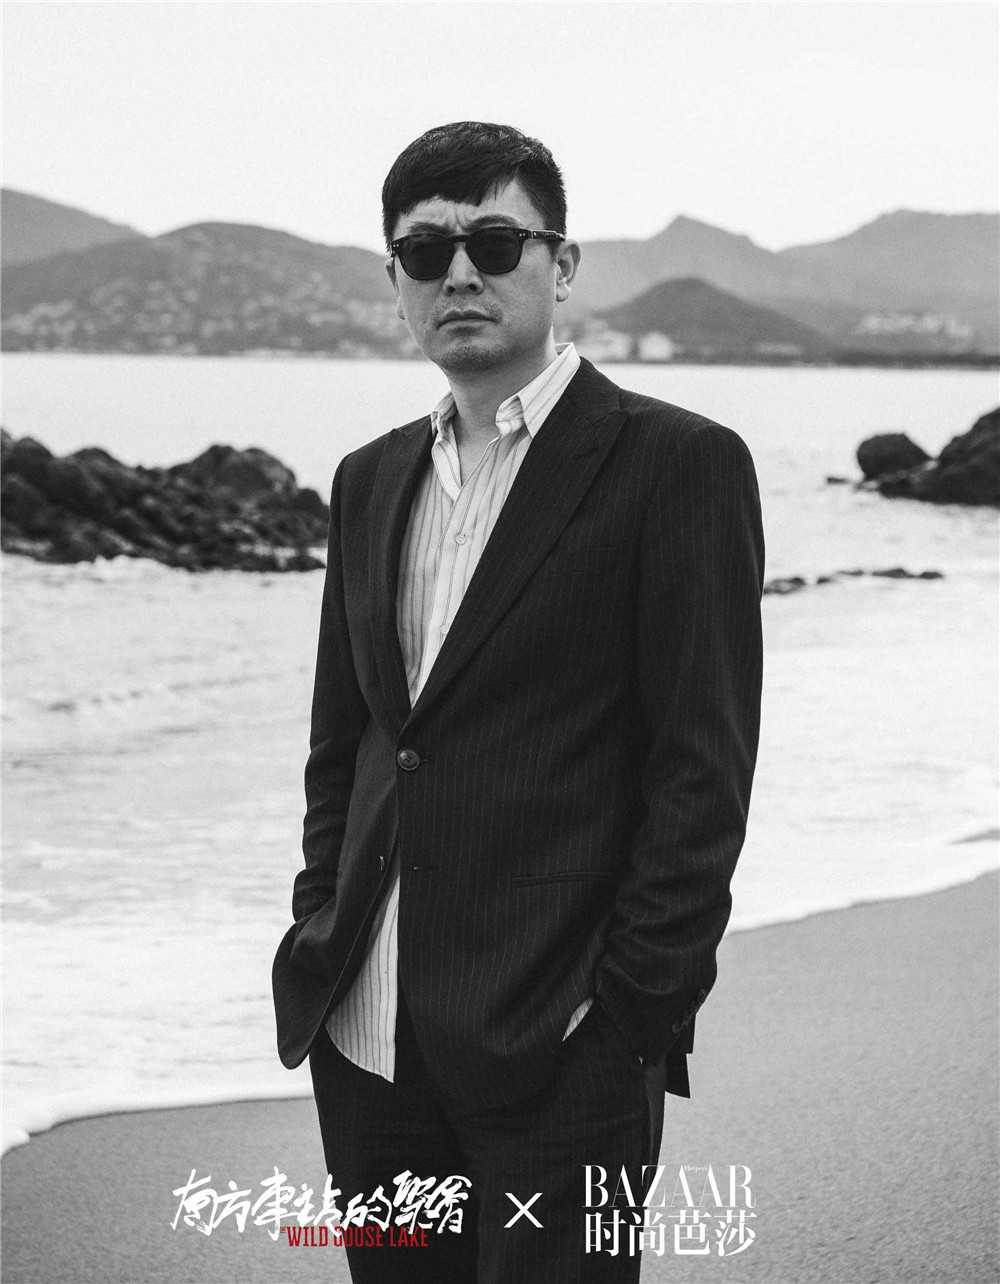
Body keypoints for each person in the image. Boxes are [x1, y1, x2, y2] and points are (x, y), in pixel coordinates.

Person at [272, 120, 764, 1284]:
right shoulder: (368, 478)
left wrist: (630, 1016)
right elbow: (348, 741)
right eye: (423, 250)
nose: (458, 273)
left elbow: (701, 769)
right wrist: (318, 918)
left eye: (494, 243)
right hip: (368, 1033)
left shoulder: (676, 464)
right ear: (394, 280)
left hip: (559, 1041)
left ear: (561, 263)